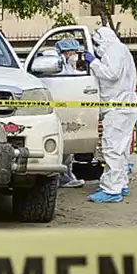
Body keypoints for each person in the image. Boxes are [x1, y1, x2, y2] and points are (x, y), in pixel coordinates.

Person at [84, 26, 137, 203]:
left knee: (112, 148)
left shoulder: (113, 49)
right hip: (125, 105)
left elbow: (111, 74)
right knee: (121, 149)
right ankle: (120, 184)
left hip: (117, 107)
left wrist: (93, 62)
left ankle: (112, 190)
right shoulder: (122, 49)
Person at [54, 38, 86, 188]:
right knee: (64, 145)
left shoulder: (65, 63)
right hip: (61, 108)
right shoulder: (57, 61)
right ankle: (63, 177)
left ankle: (66, 175)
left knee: (69, 146)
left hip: (66, 108)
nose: (75, 54)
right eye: (73, 51)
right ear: (67, 51)